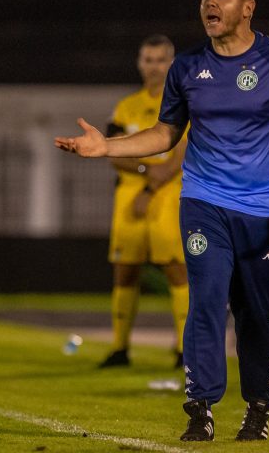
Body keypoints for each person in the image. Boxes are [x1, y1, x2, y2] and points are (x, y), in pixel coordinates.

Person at [56, 0, 269, 442]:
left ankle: (258, 407)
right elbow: (165, 134)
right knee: (205, 300)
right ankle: (200, 407)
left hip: (263, 209)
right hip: (204, 201)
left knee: (257, 312)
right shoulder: (187, 67)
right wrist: (107, 148)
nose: (209, 3)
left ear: (247, 8)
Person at [99, 35, 189, 370]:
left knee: (176, 268)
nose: (153, 66)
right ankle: (120, 348)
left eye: (160, 60)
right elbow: (113, 151)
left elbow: (183, 148)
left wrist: (153, 183)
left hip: (168, 195)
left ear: (171, 63)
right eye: (148, 60)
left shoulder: (182, 102)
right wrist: (144, 168)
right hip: (130, 195)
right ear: (140, 63)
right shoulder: (126, 107)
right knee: (125, 270)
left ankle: (184, 349)